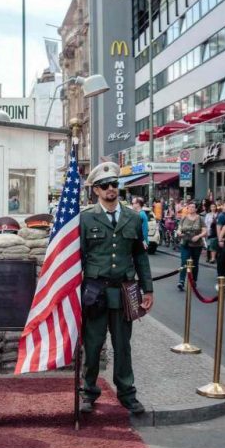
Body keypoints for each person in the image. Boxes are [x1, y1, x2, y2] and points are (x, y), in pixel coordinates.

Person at [78, 161, 153, 415]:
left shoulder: (132, 217)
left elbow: (140, 257)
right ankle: (88, 392)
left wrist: (148, 290)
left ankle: (127, 393)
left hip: (124, 292)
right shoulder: (86, 218)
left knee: (123, 346)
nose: (111, 188)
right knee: (93, 344)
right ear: (96, 190)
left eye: (114, 184)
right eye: (105, 185)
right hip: (95, 293)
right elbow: (77, 256)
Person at [176, 202, 207, 291]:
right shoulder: (184, 218)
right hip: (185, 243)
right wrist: (179, 233)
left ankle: (194, 281)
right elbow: (179, 229)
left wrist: (198, 236)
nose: (192, 209)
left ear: (196, 209)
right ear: (188, 209)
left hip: (197, 244)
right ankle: (181, 281)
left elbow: (205, 231)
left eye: (193, 207)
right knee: (184, 262)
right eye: (190, 207)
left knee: (195, 263)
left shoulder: (200, 219)